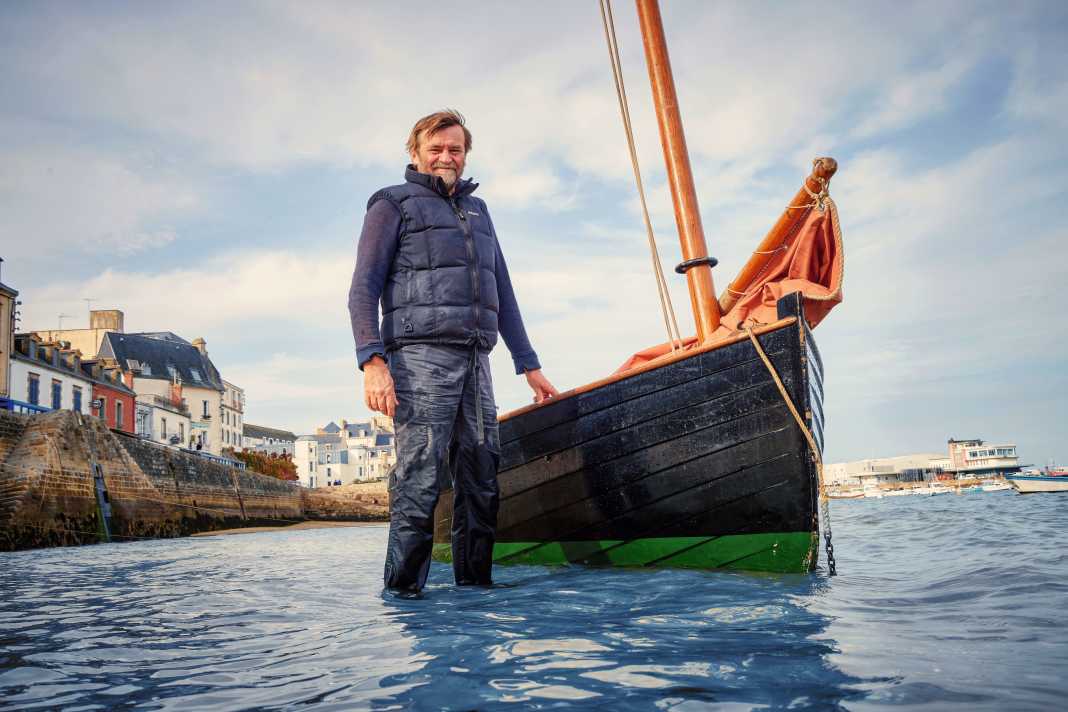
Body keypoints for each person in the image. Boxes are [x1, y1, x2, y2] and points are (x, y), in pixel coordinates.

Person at [349, 110, 557, 594]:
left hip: (475, 363)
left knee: (482, 477)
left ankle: (474, 589)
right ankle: (403, 593)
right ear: (416, 152)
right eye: (437, 148)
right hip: (419, 360)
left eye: (456, 149)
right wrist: (373, 362)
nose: (447, 157)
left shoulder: (479, 212)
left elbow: (501, 290)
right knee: (419, 478)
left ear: (465, 155)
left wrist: (529, 366)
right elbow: (362, 289)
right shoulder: (391, 204)